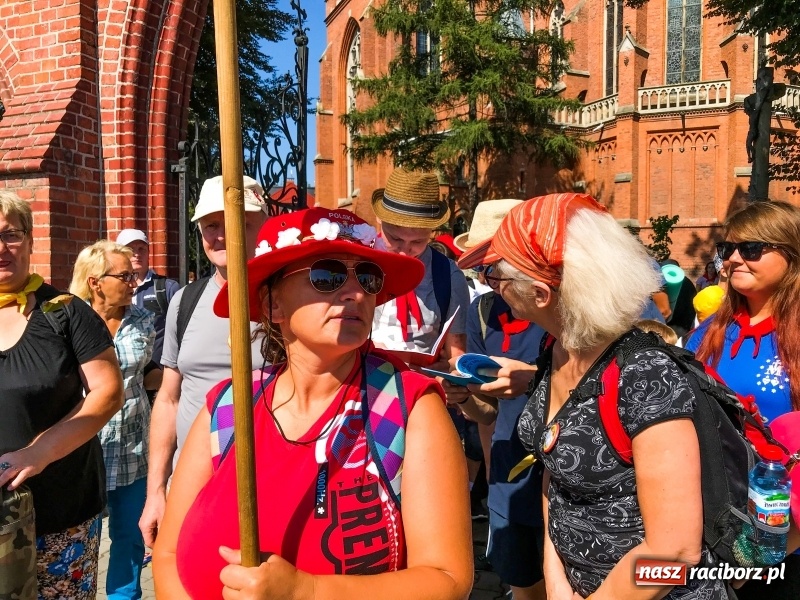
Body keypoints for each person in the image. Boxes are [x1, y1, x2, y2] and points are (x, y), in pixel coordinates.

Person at [152, 207, 473, 600]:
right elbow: (167, 553)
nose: (355, 292)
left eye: (368, 278)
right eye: (328, 275)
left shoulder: (407, 409)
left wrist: (306, 591)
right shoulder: (228, 406)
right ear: (273, 305)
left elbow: (448, 577)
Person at [458, 192, 728, 599]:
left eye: (496, 273)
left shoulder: (643, 374)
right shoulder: (558, 349)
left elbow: (673, 552)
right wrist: (555, 577)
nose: (490, 285)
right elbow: (556, 468)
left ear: (540, 293)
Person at [0, 191, 123, 597]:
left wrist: (38, 452)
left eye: (11, 235)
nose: (1, 248)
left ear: (31, 241)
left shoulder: (65, 311)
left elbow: (107, 393)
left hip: (60, 517)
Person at [139, 175, 266, 551]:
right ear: (199, 232)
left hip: (267, 486)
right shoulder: (185, 301)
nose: (224, 235)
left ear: (264, 225)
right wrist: (156, 491)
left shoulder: (288, 300)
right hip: (192, 487)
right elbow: (168, 400)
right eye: (212, 225)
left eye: (240, 222)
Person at [685, 201, 800, 599]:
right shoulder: (706, 335)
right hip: (710, 524)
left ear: (792, 254)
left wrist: (765, 554)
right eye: (727, 249)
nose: (733, 259)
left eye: (750, 248)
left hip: (784, 540)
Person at [449, 199, 546, 600]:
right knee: (522, 585)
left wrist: (533, 380)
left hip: (566, 476)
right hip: (509, 472)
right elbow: (487, 411)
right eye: (481, 268)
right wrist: (464, 398)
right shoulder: (484, 309)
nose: (487, 278)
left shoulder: (574, 306)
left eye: (494, 265)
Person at [70, 240, 156, 600]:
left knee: (129, 535)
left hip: (133, 449)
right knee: (79, 537)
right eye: (125, 275)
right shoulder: (64, 319)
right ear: (95, 281)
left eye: (134, 275)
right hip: (82, 450)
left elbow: (151, 373)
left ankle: (124, 596)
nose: (134, 282)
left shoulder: (143, 319)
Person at [370, 168, 471, 372]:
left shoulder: (449, 276)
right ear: (379, 220)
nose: (405, 250)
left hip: (421, 393)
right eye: (395, 238)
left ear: (431, 232)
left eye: (418, 241)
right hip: (362, 390)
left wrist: (447, 371)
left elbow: (456, 353)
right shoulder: (358, 264)